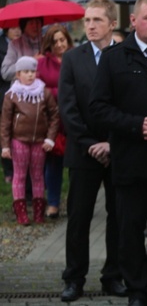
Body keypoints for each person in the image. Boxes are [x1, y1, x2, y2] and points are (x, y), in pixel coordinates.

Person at [90, 0, 147, 306]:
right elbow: (98, 108)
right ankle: (136, 289)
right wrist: (138, 125)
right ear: (133, 20)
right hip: (129, 161)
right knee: (130, 230)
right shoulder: (114, 58)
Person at [59, 0, 126, 302]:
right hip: (83, 152)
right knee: (78, 218)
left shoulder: (124, 56)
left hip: (118, 151)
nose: (90, 26)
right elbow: (68, 109)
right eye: (87, 20)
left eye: (97, 20)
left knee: (119, 218)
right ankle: (73, 279)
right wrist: (91, 144)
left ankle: (113, 276)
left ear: (112, 23)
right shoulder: (73, 59)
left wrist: (112, 143)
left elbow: (127, 105)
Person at [0, 56, 58, 225]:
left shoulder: (43, 92)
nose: (30, 75)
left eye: (33, 71)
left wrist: (50, 138)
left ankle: (39, 211)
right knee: (19, 175)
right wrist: (5, 146)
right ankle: (21, 212)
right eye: (26, 72)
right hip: (19, 140)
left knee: (38, 175)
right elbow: (5, 122)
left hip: (40, 141)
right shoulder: (12, 95)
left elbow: (54, 115)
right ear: (18, 74)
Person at [37, 24, 73, 218]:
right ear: (48, 44)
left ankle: (76, 202)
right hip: (52, 121)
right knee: (53, 163)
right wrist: (59, 93)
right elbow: (38, 89)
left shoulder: (76, 57)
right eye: (55, 41)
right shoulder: (42, 63)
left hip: (73, 118)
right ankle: (53, 202)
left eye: (62, 40)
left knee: (76, 165)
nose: (60, 44)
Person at [0, 26, 22, 184]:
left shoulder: (23, 44)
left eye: (19, 28)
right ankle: (9, 170)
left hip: (21, 97)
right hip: (3, 94)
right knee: (5, 133)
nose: (17, 31)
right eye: (13, 28)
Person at [1, 17, 44, 82]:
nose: (35, 26)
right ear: (24, 26)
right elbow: (6, 72)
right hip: (21, 90)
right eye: (31, 23)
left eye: (37, 22)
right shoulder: (15, 44)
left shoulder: (47, 42)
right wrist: (31, 60)